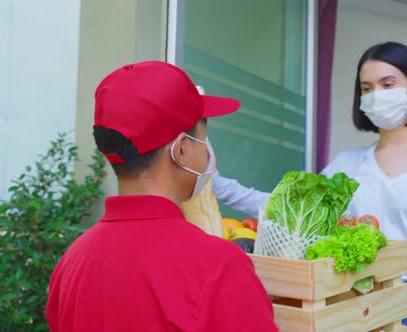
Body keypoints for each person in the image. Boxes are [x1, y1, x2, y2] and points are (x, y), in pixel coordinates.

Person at [211, 42, 407, 332]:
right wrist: (216, 183)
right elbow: (288, 209)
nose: (376, 95)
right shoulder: (348, 166)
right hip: (358, 301)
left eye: (387, 84)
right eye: (367, 88)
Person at [45, 61, 278, 332]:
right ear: (180, 150)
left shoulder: (72, 263)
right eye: (205, 139)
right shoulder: (219, 267)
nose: (209, 155)